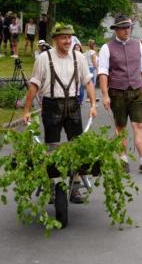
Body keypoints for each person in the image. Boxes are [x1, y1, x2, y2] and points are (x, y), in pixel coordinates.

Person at [23, 23, 97, 203]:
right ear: (55, 39)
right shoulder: (43, 58)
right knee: (51, 148)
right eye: (64, 37)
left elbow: (88, 82)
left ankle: (75, 186)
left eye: (70, 37)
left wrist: (94, 104)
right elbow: (34, 85)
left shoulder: (78, 57)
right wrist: (26, 110)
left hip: (72, 105)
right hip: (51, 105)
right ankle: (50, 187)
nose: (68, 40)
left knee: (77, 146)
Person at [98, 15, 142, 175]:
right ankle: (123, 159)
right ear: (116, 29)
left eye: (128, 27)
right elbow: (103, 72)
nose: (126, 30)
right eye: (123, 27)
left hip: (137, 90)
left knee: (139, 125)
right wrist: (105, 95)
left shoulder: (137, 45)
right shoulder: (106, 48)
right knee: (121, 127)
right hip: (117, 92)